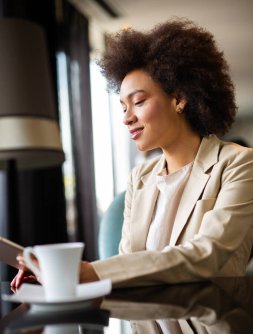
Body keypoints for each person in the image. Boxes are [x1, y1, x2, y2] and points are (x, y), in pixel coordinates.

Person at [12, 18, 253, 289]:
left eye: (138, 102)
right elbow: (129, 264)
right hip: (145, 322)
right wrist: (63, 278)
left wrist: (90, 272)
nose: (127, 118)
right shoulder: (140, 178)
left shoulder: (240, 164)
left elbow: (208, 256)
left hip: (210, 321)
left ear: (179, 99)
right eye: (123, 107)